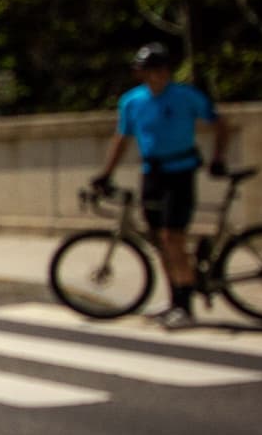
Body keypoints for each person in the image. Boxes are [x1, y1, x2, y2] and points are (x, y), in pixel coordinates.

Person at [90, 41, 231, 327]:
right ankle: (174, 298)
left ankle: (185, 306)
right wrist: (106, 173)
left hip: (180, 172)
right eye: (150, 70)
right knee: (158, 239)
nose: (157, 75)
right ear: (140, 73)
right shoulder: (132, 101)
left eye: (162, 69)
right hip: (151, 173)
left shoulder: (186, 96)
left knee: (172, 237)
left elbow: (219, 123)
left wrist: (217, 157)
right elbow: (122, 139)